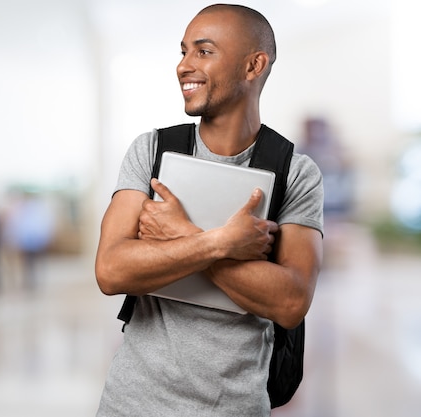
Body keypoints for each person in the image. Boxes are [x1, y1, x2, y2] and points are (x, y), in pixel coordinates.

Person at [95, 4, 324, 416]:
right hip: (130, 404)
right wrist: (222, 242)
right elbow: (111, 272)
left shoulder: (296, 174)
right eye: (182, 52)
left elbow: (291, 302)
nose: (183, 66)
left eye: (203, 52)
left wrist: (182, 234)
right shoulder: (150, 152)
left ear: (254, 65)